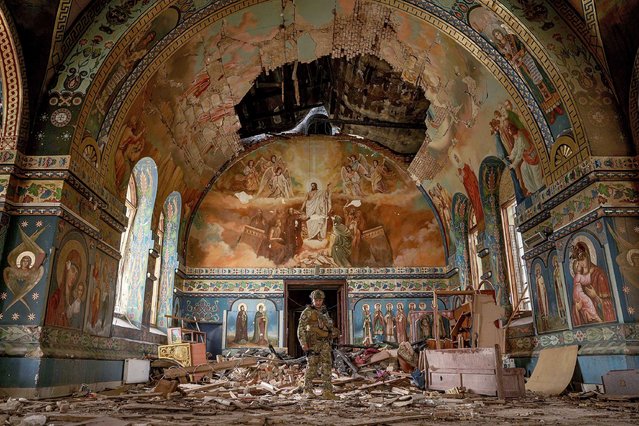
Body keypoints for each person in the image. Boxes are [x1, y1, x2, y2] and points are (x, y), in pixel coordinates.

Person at [297, 289, 339, 399]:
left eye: (320, 300)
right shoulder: (307, 312)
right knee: (312, 367)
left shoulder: (324, 312)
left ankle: (327, 392)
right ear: (312, 300)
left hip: (325, 343)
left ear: (323, 300)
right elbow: (301, 328)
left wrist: (332, 332)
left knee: (326, 366)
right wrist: (303, 343)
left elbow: (329, 326)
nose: (318, 302)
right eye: (316, 300)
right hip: (313, 344)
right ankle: (308, 391)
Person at [535, 264, 549, 329]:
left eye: (538, 271)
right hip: (540, 296)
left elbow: (543, 286)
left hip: (543, 294)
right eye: (537, 271)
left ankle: (547, 323)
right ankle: (544, 325)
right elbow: (537, 288)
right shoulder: (536, 279)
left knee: (545, 308)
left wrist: (544, 290)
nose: (538, 272)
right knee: (542, 309)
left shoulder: (541, 278)